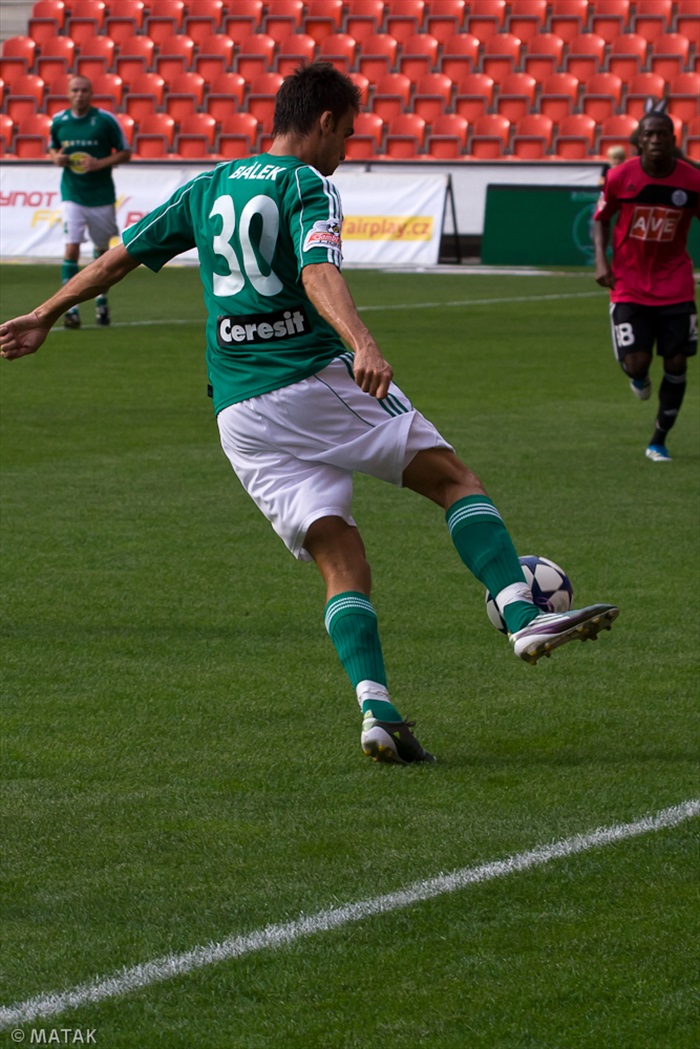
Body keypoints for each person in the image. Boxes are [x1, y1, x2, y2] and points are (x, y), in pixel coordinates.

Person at [1, 63, 619, 765]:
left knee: (341, 558)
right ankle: (520, 612)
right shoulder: (305, 185)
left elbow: (119, 259)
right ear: (324, 120)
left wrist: (45, 313)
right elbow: (319, 270)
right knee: (453, 479)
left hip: (237, 413)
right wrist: (363, 340)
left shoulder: (209, 186)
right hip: (307, 378)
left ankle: (377, 710)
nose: (347, 152)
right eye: (348, 135)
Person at [593, 111, 700, 463]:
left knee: (677, 360)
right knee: (637, 364)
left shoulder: (691, 181)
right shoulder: (620, 177)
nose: (656, 140)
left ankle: (659, 439)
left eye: (663, 134)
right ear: (640, 140)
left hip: (676, 285)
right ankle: (637, 377)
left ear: (673, 140)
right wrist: (601, 262)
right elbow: (601, 220)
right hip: (630, 285)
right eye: (650, 134)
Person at [49, 74, 131, 329]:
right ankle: (70, 309)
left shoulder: (105, 121)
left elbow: (126, 153)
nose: (79, 95)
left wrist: (99, 163)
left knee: (102, 253)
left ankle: (101, 301)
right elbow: (53, 147)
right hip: (73, 194)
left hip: (102, 197)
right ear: (68, 93)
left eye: (84, 90)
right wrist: (56, 158)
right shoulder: (59, 121)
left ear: (91, 93)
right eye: (75, 90)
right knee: (71, 247)